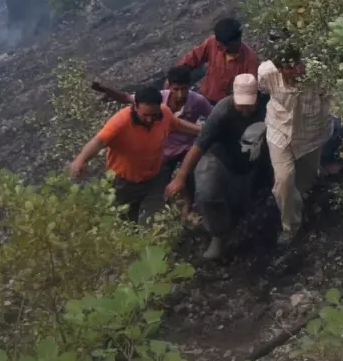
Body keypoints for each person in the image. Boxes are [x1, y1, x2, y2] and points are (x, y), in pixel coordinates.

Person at [167, 74, 269, 261]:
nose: (245, 110)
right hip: (219, 158)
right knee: (208, 192)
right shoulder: (223, 111)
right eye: (241, 105)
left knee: (247, 200)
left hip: (252, 155)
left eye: (250, 104)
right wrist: (181, 176)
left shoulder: (267, 103)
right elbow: (199, 145)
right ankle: (218, 236)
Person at [69, 86, 202, 223]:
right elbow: (98, 141)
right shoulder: (120, 122)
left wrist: (204, 130)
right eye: (145, 115)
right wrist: (80, 160)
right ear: (135, 106)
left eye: (153, 115)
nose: (150, 119)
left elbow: (178, 124)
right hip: (124, 183)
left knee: (152, 221)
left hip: (154, 178)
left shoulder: (164, 113)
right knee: (126, 222)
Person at [89, 65, 213, 202]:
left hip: (186, 147)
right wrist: (106, 90)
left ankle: (187, 209)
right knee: (161, 182)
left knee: (189, 176)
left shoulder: (198, 101)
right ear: (169, 85)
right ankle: (165, 206)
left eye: (184, 89)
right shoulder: (157, 100)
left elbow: (214, 118)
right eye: (176, 89)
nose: (180, 94)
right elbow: (126, 98)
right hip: (164, 148)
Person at [258, 43, 332, 246]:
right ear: (279, 68)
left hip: (311, 135)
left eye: (299, 63)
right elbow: (263, 90)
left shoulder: (318, 74)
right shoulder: (266, 74)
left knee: (304, 181)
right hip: (280, 132)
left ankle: (302, 201)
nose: (298, 70)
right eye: (290, 67)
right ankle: (291, 226)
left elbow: (337, 101)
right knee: (283, 180)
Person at [177, 17, 260, 105]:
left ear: (237, 41)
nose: (221, 49)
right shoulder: (212, 43)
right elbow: (193, 58)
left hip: (226, 104)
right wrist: (178, 75)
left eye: (225, 46)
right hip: (204, 95)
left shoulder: (250, 60)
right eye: (219, 45)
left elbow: (248, 93)